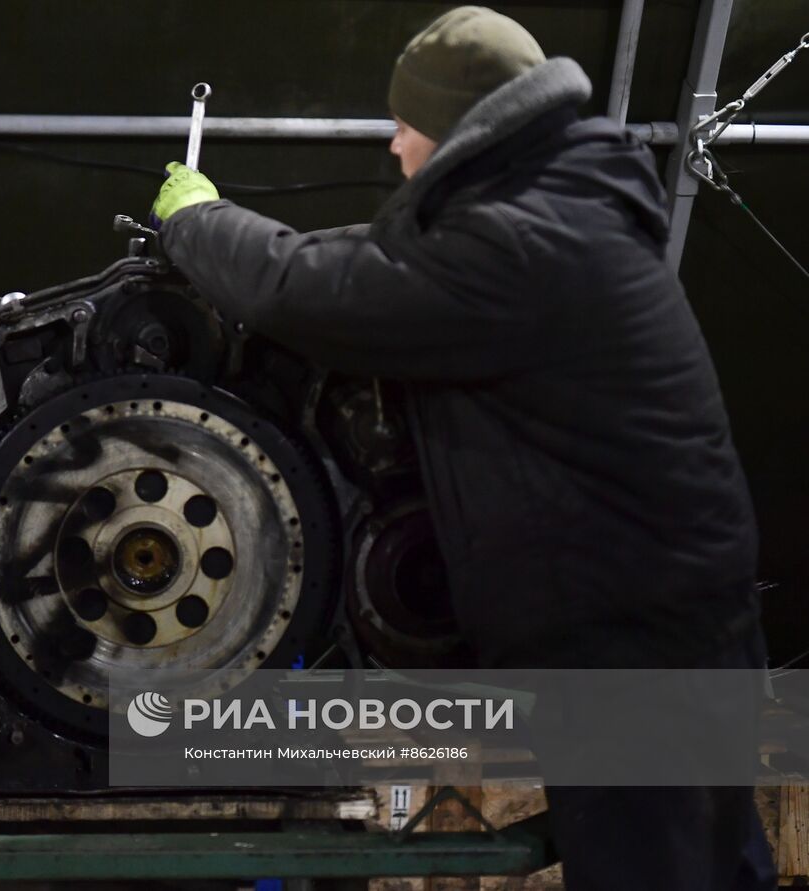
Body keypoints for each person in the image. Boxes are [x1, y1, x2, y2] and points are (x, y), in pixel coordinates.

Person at [150, 7, 772, 890]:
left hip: (632, 646)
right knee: (708, 862)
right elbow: (377, 260)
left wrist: (197, 222)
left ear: (459, 135)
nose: (395, 150)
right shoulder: (555, 208)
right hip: (660, 619)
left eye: (405, 129)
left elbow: (315, 289)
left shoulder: (522, 244)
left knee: (665, 874)